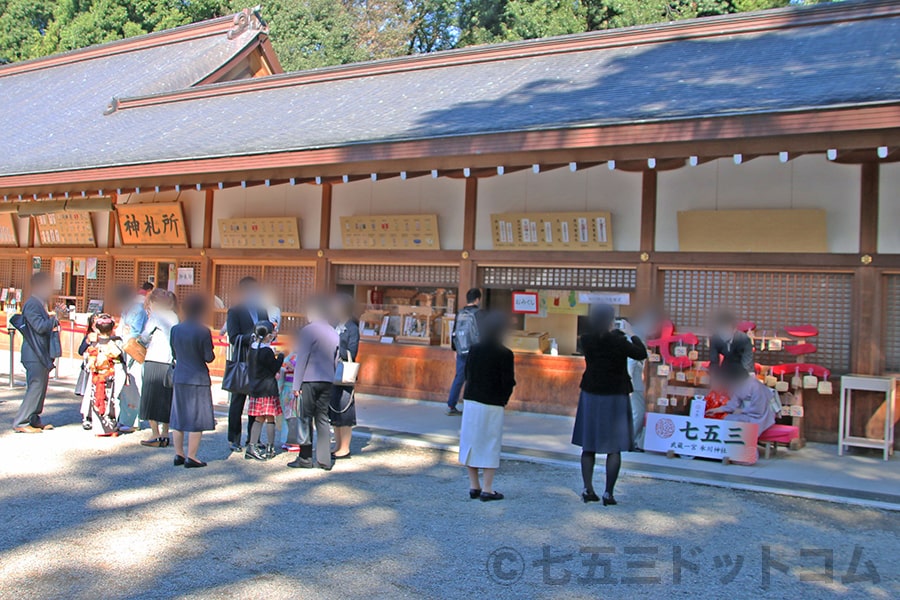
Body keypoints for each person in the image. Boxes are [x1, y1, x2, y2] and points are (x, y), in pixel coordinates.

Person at [572, 305, 648, 506]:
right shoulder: (619, 341)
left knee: (588, 444)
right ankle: (608, 493)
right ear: (610, 320)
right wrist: (632, 334)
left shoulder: (586, 340)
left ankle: (587, 488)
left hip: (591, 393)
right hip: (615, 394)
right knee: (614, 447)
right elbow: (641, 354)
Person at [458, 312, 515, 502]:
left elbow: (467, 373)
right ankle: (487, 488)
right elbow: (508, 382)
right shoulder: (505, 354)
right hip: (492, 402)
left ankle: (474, 485)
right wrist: (504, 399)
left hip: (472, 399)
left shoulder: (474, 349)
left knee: (470, 442)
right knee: (490, 443)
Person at [288, 297, 339, 470]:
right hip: (327, 379)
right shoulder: (333, 332)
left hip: (309, 379)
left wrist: (296, 385)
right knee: (323, 418)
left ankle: (305, 457)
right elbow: (335, 359)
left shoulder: (308, 331)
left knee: (305, 418)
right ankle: (324, 459)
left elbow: (302, 358)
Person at [169, 294, 217, 468]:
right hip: (198, 377)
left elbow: (174, 353)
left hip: (180, 375)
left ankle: (178, 453)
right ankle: (192, 456)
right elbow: (208, 357)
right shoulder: (203, 331)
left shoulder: (175, 329)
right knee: (196, 417)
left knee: (179, 415)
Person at [225, 277, 269, 452]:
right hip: (242, 360)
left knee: (256, 401)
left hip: (259, 361)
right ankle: (233, 438)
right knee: (237, 401)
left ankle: (253, 438)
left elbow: (268, 331)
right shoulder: (234, 311)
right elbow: (233, 337)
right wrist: (250, 337)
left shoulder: (262, 310)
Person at [12, 272, 59, 433]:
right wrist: (53, 319)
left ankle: (33, 418)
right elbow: (39, 327)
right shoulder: (32, 304)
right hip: (34, 353)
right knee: (35, 386)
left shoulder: (40, 303)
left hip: (40, 351)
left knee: (41, 386)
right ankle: (22, 421)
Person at [139, 290, 179, 448]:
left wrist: (142, 340)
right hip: (169, 360)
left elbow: (144, 335)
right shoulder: (175, 316)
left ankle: (155, 434)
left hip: (154, 358)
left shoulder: (156, 316)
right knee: (165, 398)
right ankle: (165, 433)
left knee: (150, 398)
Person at [245, 320, 285, 461]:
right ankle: (270, 447)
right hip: (268, 388)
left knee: (258, 418)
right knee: (269, 418)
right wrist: (281, 356)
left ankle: (251, 446)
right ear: (268, 336)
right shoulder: (267, 350)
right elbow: (274, 367)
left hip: (255, 388)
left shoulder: (252, 348)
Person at [84, 314, 126, 436]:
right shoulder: (115, 344)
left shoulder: (94, 345)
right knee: (112, 400)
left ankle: (99, 429)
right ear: (112, 328)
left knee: (97, 398)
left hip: (97, 376)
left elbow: (88, 361)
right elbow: (120, 359)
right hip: (111, 375)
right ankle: (111, 428)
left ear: (97, 328)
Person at [114, 283, 148, 432]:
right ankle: (124, 418)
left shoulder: (138, 310)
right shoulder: (128, 309)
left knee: (134, 386)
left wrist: (125, 337)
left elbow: (136, 333)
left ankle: (133, 420)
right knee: (125, 387)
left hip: (132, 351)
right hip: (124, 349)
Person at [330, 294, 360, 460]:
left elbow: (352, 352)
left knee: (345, 410)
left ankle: (345, 447)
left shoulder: (352, 328)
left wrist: (336, 345)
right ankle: (337, 444)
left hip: (345, 372)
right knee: (333, 409)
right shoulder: (334, 324)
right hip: (332, 371)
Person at [447, 288, 484, 416]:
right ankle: (471, 406)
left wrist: (454, 349)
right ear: (477, 299)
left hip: (461, 350)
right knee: (474, 379)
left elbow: (454, 332)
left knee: (459, 378)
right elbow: (483, 334)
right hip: (475, 351)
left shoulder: (459, 313)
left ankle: (451, 405)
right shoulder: (479, 313)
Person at [707, 373, 777, 433]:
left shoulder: (756, 386)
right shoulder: (739, 386)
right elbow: (732, 405)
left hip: (762, 416)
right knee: (727, 419)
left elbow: (759, 410)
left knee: (733, 421)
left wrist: (741, 411)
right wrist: (717, 410)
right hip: (748, 414)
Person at [708, 311, 754, 381]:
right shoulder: (715, 338)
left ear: (734, 330)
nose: (722, 333)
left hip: (741, 368)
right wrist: (714, 378)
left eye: (726, 330)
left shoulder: (744, 339)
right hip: (725, 367)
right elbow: (714, 361)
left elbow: (747, 362)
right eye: (720, 330)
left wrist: (749, 379)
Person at [77, 314, 99, 430]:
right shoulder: (88, 336)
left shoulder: (107, 335)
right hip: (89, 368)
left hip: (102, 368)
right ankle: (87, 417)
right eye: (94, 321)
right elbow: (80, 351)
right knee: (88, 394)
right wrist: (87, 341)